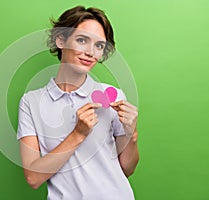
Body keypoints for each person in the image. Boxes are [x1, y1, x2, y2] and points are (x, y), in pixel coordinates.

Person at [17, 5, 139, 200]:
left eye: (99, 45)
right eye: (82, 40)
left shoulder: (113, 95)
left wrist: (131, 135)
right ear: (60, 40)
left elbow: (128, 168)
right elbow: (33, 177)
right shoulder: (31, 102)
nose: (91, 52)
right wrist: (78, 134)